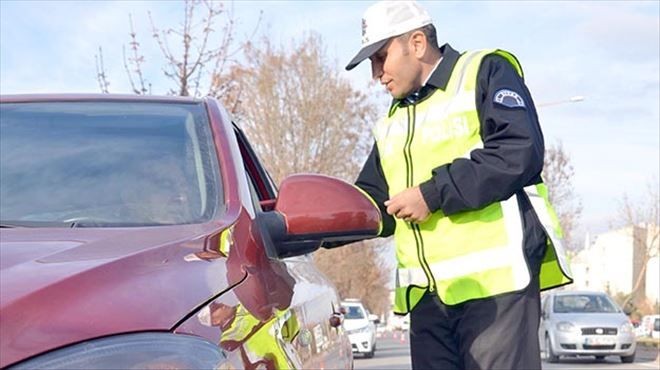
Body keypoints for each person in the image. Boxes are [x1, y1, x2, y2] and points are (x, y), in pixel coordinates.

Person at [345, 1, 573, 369]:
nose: (376, 74)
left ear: (416, 43)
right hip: (429, 301)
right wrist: (306, 222)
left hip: (496, 293)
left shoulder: (484, 72)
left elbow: (518, 152)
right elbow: (372, 201)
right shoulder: (392, 123)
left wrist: (432, 194)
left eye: (380, 57)